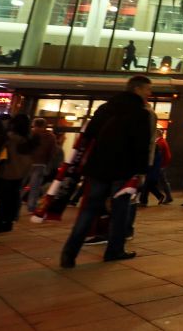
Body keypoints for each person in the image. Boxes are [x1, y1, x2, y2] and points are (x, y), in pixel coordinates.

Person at [60, 76, 152, 267]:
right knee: (119, 212)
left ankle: (69, 252)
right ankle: (114, 250)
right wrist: (141, 172)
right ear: (137, 90)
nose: (149, 93)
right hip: (123, 169)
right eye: (147, 90)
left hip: (98, 167)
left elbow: (89, 136)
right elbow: (141, 146)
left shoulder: (105, 108)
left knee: (88, 211)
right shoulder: (140, 113)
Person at [0, 114, 35, 234]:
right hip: (20, 174)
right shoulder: (28, 140)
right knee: (12, 199)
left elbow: (1, 155)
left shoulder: (10, 139)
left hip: (7, 173)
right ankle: (8, 222)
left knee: (4, 200)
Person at [24, 117, 56, 213]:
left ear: (34, 124)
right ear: (44, 125)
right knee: (35, 187)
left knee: (21, 185)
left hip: (27, 163)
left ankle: (13, 205)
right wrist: (48, 164)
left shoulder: (30, 134)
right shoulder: (50, 136)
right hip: (41, 164)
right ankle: (31, 206)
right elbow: (52, 152)